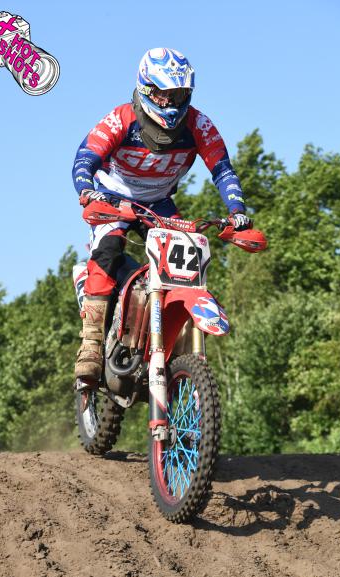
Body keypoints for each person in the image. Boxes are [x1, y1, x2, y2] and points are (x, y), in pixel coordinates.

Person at [72, 47, 251, 381]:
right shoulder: (120, 119)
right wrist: (86, 191)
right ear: (145, 89)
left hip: (160, 203)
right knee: (107, 252)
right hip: (113, 198)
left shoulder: (198, 124)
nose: (169, 103)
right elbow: (85, 158)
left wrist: (237, 212)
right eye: (162, 94)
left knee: (186, 267)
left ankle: (173, 347)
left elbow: (223, 170)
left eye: (177, 94)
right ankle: (91, 344)